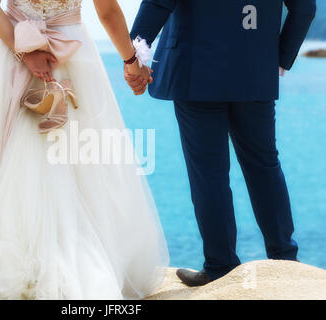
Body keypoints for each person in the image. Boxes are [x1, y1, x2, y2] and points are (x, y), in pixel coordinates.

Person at [0, 0, 169, 299]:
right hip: (72, 52)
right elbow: (107, 11)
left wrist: (25, 51)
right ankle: (80, 258)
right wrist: (131, 62)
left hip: (8, 50)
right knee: (81, 156)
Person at [126, 0, 316, 286]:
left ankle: (221, 265)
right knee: (263, 165)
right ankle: (285, 258)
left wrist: (133, 55)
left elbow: (158, 2)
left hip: (195, 69)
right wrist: (280, 56)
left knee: (209, 175)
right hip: (254, 68)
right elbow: (304, 7)